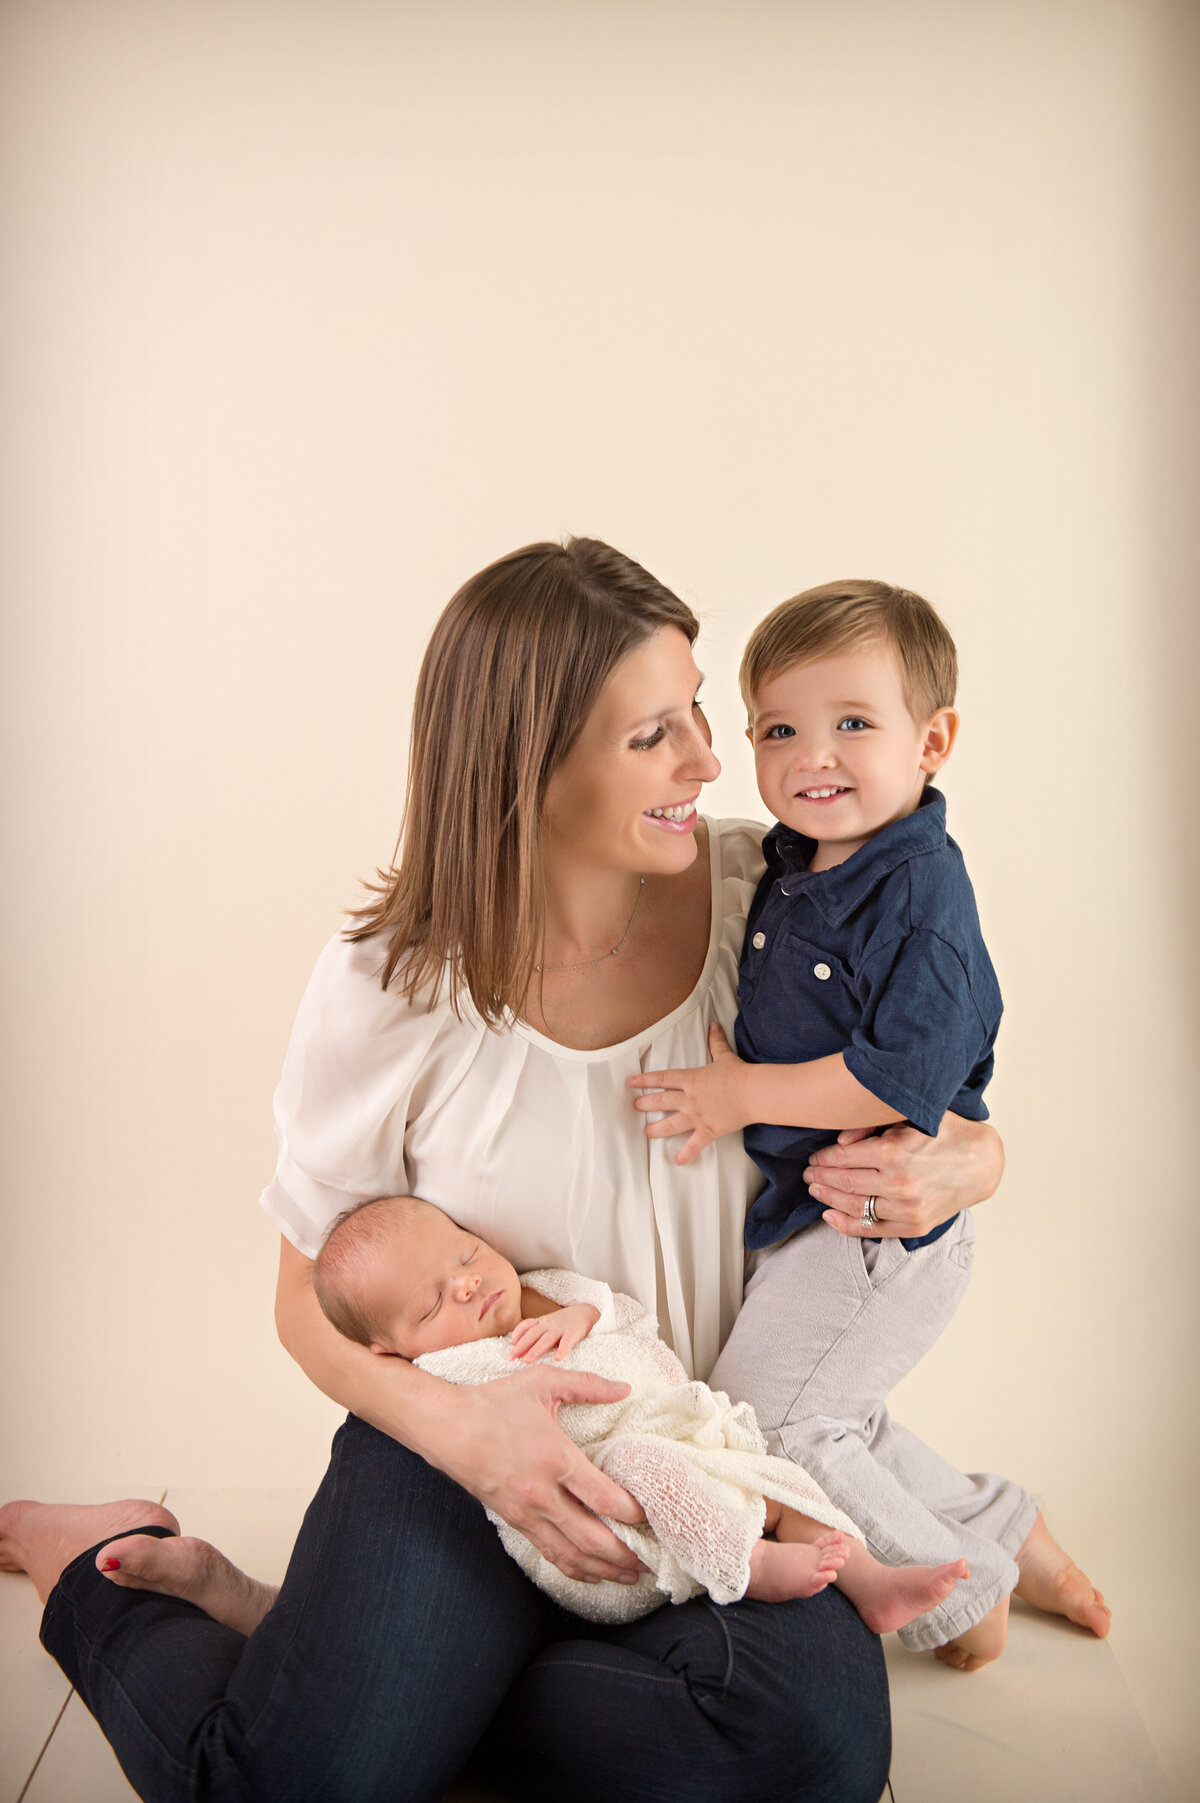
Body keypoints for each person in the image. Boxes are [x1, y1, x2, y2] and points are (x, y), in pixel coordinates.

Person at [1, 539, 1032, 1803]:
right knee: (291, 1789)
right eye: (655, 734)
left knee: (812, 1747)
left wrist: (975, 1160)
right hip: (457, 1455)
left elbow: (928, 1074)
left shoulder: (779, 901)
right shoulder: (389, 982)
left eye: (700, 709)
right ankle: (103, 1574)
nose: (713, 762)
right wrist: (475, 1439)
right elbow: (301, 1303)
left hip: (701, 1464)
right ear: (532, 765)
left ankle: (365, 1681)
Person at [628, 579, 1112, 1671]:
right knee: (837, 1413)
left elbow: (897, 1079)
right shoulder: (788, 863)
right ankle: (1006, 1525)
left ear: (933, 740)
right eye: (780, 730)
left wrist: (740, 1094)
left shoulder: (922, 892)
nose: (814, 757)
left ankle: (960, 1597)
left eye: (854, 723)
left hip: (876, 1221)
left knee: (775, 1423)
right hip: (818, 1215)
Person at [309, 1191, 969, 1630]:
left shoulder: (548, 1292)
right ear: (388, 1347)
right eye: (432, 1303)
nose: (469, 1282)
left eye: (467, 1252)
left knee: (777, 1474)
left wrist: (579, 1314)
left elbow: (626, 1314)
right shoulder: (445, 1372)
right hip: (608, 1534)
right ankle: (748, 1566)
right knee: (642, 1459)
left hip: (687, 1444)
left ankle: (869, 1577)